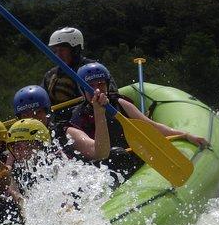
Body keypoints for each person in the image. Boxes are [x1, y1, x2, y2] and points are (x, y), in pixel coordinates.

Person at [66, 62, 207, 180]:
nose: (97, 89)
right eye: (91, 85)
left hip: (133, 160)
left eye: (101, 84)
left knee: (120, 155)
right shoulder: (76, 121)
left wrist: (185, 135)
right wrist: (99, 113)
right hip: (105, 171)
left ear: (108, 85)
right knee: (116, 154)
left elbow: (152, 127)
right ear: (83, 90)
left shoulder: (121, 104)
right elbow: (98, 153)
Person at [41, 27, 117, 121]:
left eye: (62, 50)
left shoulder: (94, 69)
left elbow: (112, 95)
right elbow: (43, 105)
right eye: (55, 51)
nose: (58, 55)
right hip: (61, 122)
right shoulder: (50, 75)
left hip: (90, 118)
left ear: (75, 49)